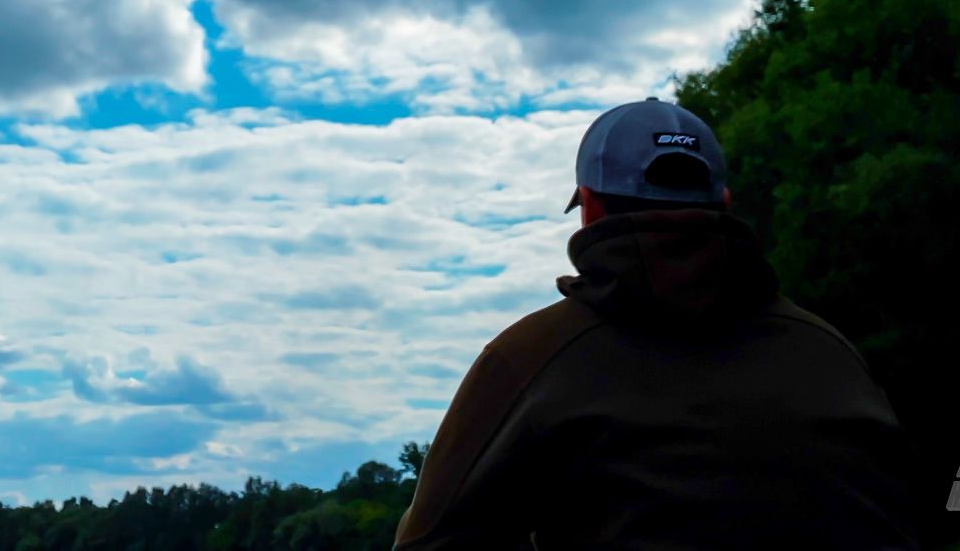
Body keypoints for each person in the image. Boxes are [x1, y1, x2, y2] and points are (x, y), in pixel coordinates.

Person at [393, 98, 920, 550]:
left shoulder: (532, 357)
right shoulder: (831, 353)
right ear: (726, 204)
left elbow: (430, 543)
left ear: (590, 207)